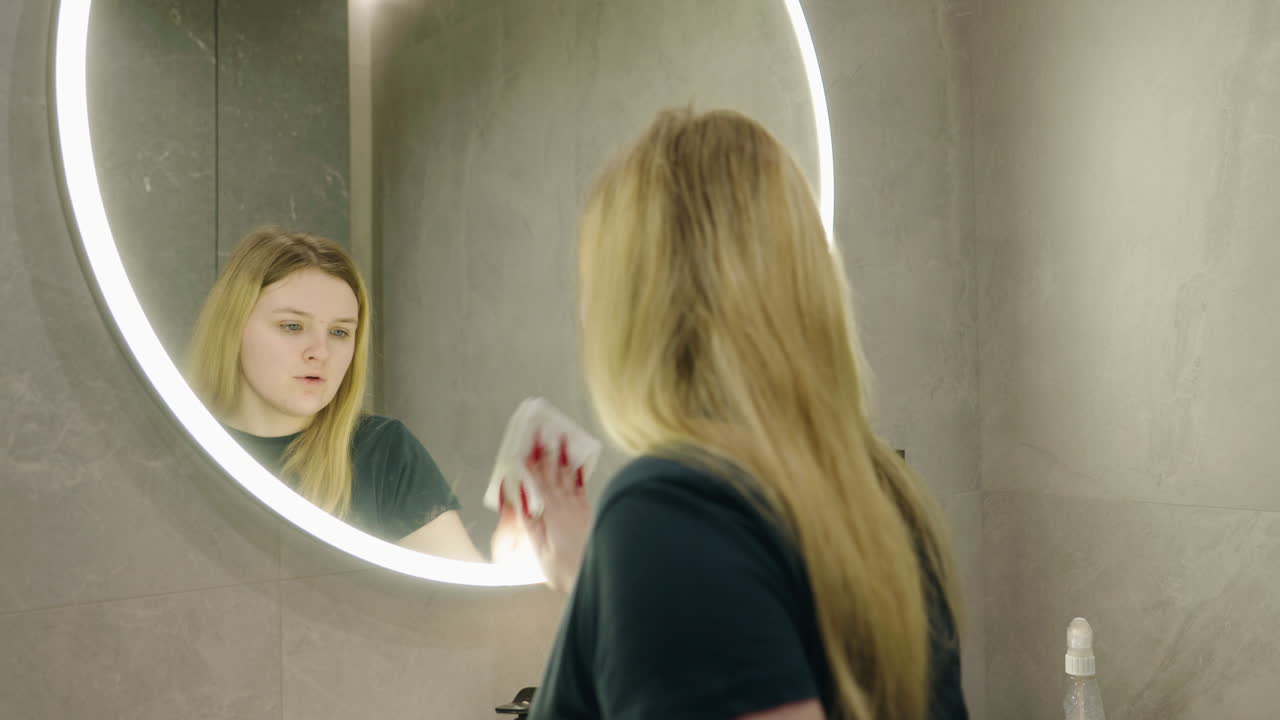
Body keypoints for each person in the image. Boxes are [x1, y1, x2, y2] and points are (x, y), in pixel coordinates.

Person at [509, 108, 970, 719]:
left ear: (638, 306)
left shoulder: (674, 513)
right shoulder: (878, 496)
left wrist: (645, 549)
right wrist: (597, 581)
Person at [186, 227, 486, 561]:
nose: (321, 351)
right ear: (232, 327)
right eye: (292, 326)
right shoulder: (175, 448)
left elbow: (468, 599)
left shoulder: (382, 451)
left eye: (340, 332)